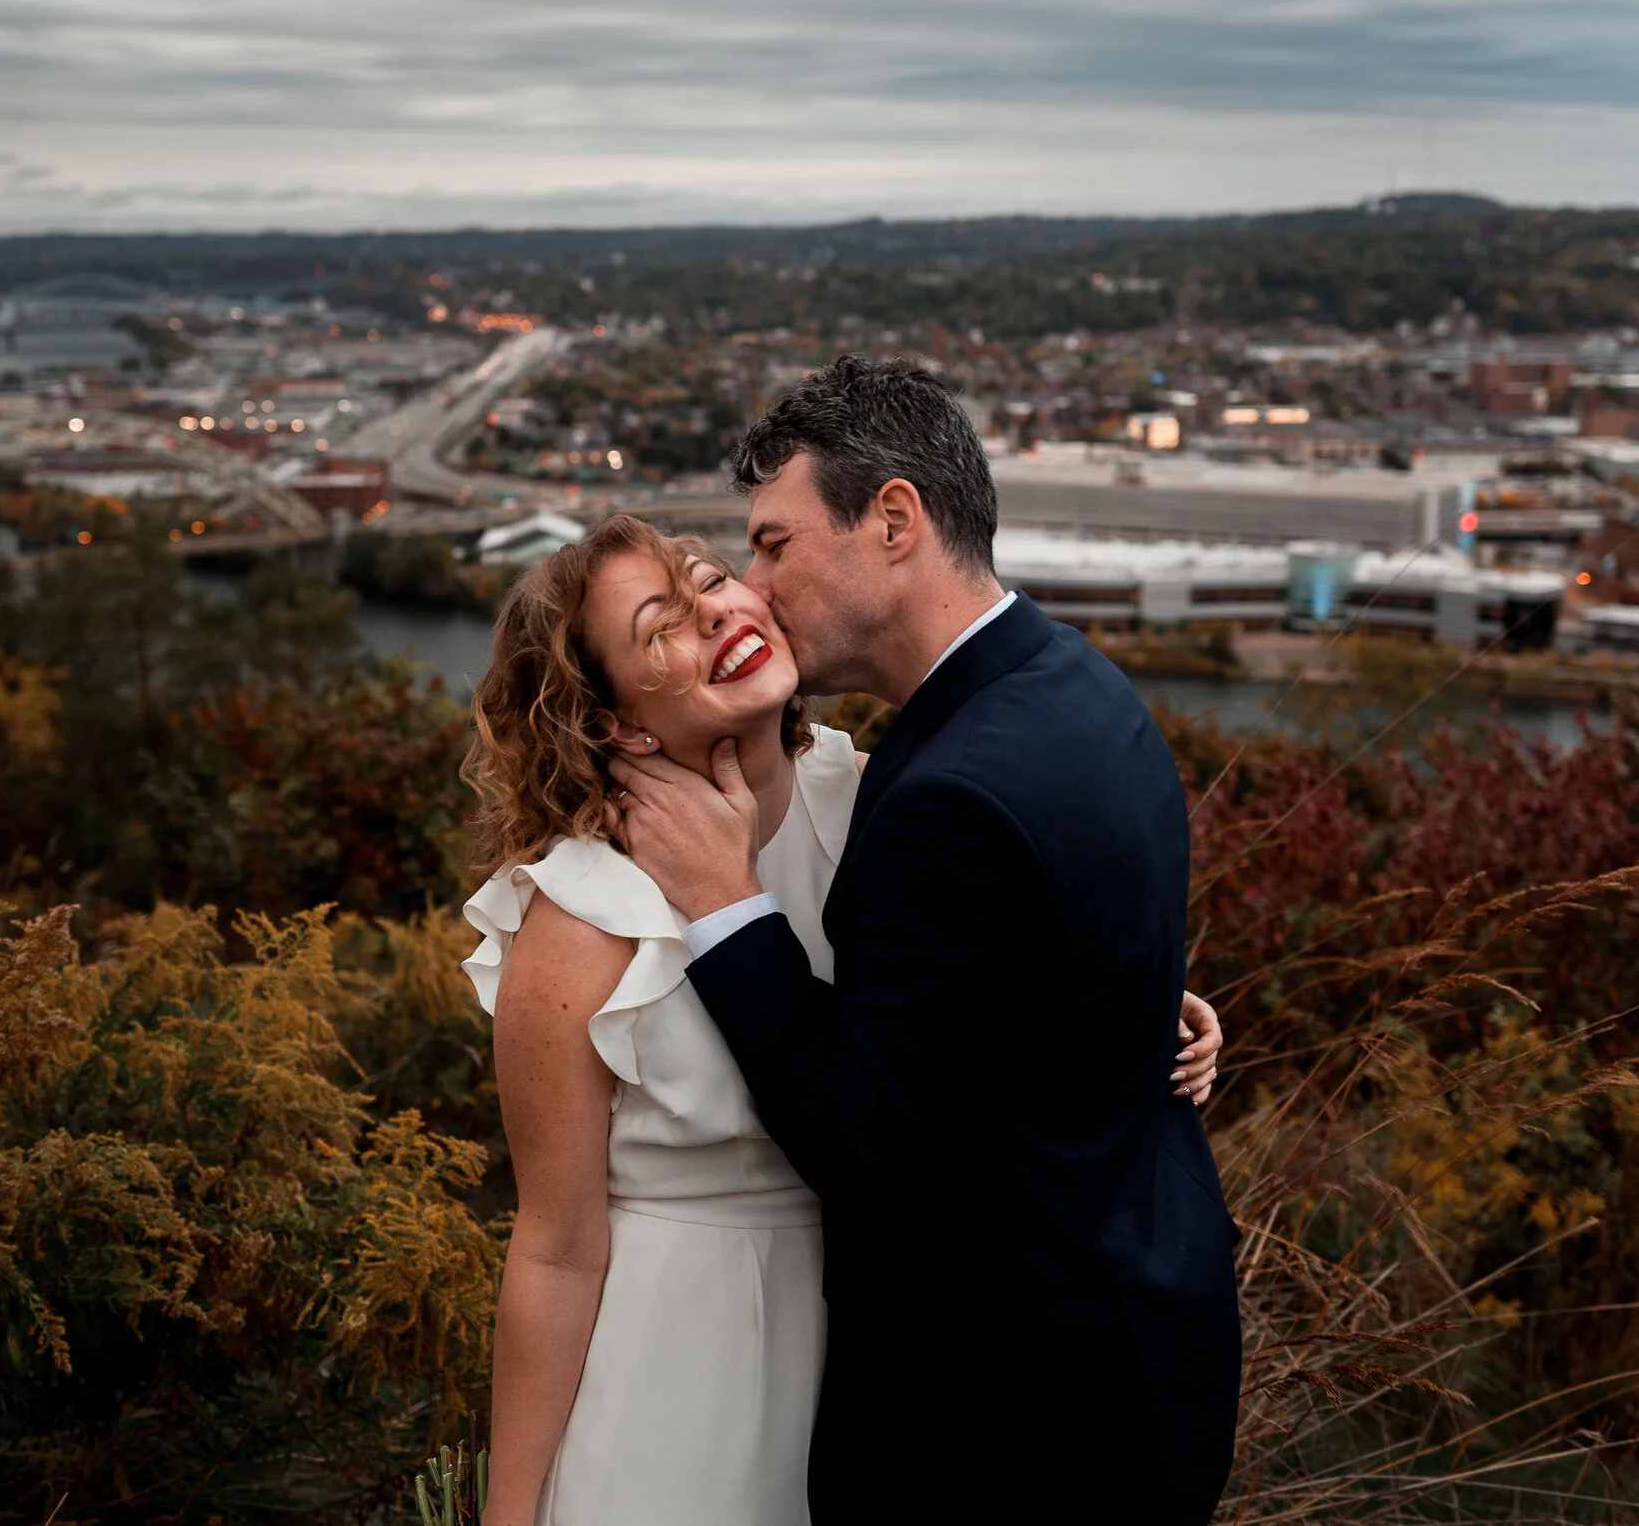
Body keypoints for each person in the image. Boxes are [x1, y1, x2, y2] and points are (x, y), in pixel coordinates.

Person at [461, 514, 1224, 1526]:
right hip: (674, 1381)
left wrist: (1137, 1008)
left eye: (710, 579)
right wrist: (509, 1510)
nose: (720, 611)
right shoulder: (578, 921)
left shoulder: (888, 800)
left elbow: (971, 988)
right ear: (619, 725)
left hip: (892, 1381)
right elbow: (555, 1249)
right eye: (661, 626)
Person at [609, 355, 1243, 1526]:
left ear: (893, 518)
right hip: (1148, 1334)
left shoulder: (952, 789)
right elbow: (1045, 959)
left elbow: (865, 1135)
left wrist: (720, 901)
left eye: (773, 544)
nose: (753, 585)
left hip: (1014, 1422)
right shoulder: (1071, 683)